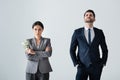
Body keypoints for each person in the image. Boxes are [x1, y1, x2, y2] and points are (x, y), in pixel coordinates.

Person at [70, 9, 108, 80]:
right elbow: (72, 49)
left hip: (96, 67)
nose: (88, 16)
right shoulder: (77, 32)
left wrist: (103, 63)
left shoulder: (99, 32)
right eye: (86, 15)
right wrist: (76, 63)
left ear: (94, 19)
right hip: (82, 66)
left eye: (91, 15)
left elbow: (105, 49)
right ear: (84, 18)